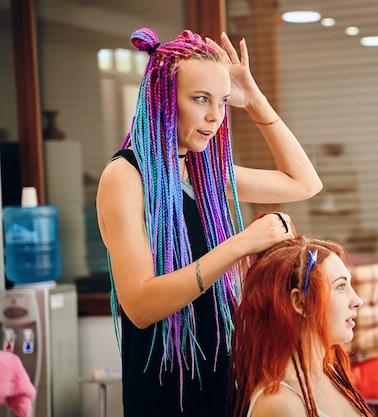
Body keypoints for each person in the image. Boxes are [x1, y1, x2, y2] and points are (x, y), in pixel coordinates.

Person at [95, 27, 322, 417]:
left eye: (223, 102)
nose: (215, 116)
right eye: (201, 99)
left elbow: (305, 182)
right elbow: (139, 306)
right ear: (163, 99)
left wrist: (254, 101)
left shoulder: (203, 172)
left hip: (224, 376)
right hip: (165, 389)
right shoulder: (125, 177)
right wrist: (241, 244)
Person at [228, 234, 374, 417]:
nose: (357, 301)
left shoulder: (332, 373)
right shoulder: (281, 404)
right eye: (341, 286)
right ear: (299, 302)